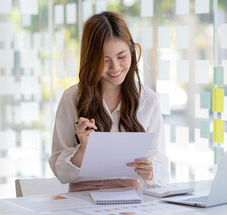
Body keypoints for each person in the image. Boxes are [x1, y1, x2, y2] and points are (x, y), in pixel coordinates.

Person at [49, 11, 169, 192]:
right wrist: (82, 150)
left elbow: (161, 168)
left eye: (121, 56)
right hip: (81, 199)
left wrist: (150, 172)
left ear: (132, 51)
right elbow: (61, 173)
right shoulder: (72, 98)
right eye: (104, 60)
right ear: (90, 60)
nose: (115, 67)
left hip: (131, 202)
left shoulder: (148, 99)